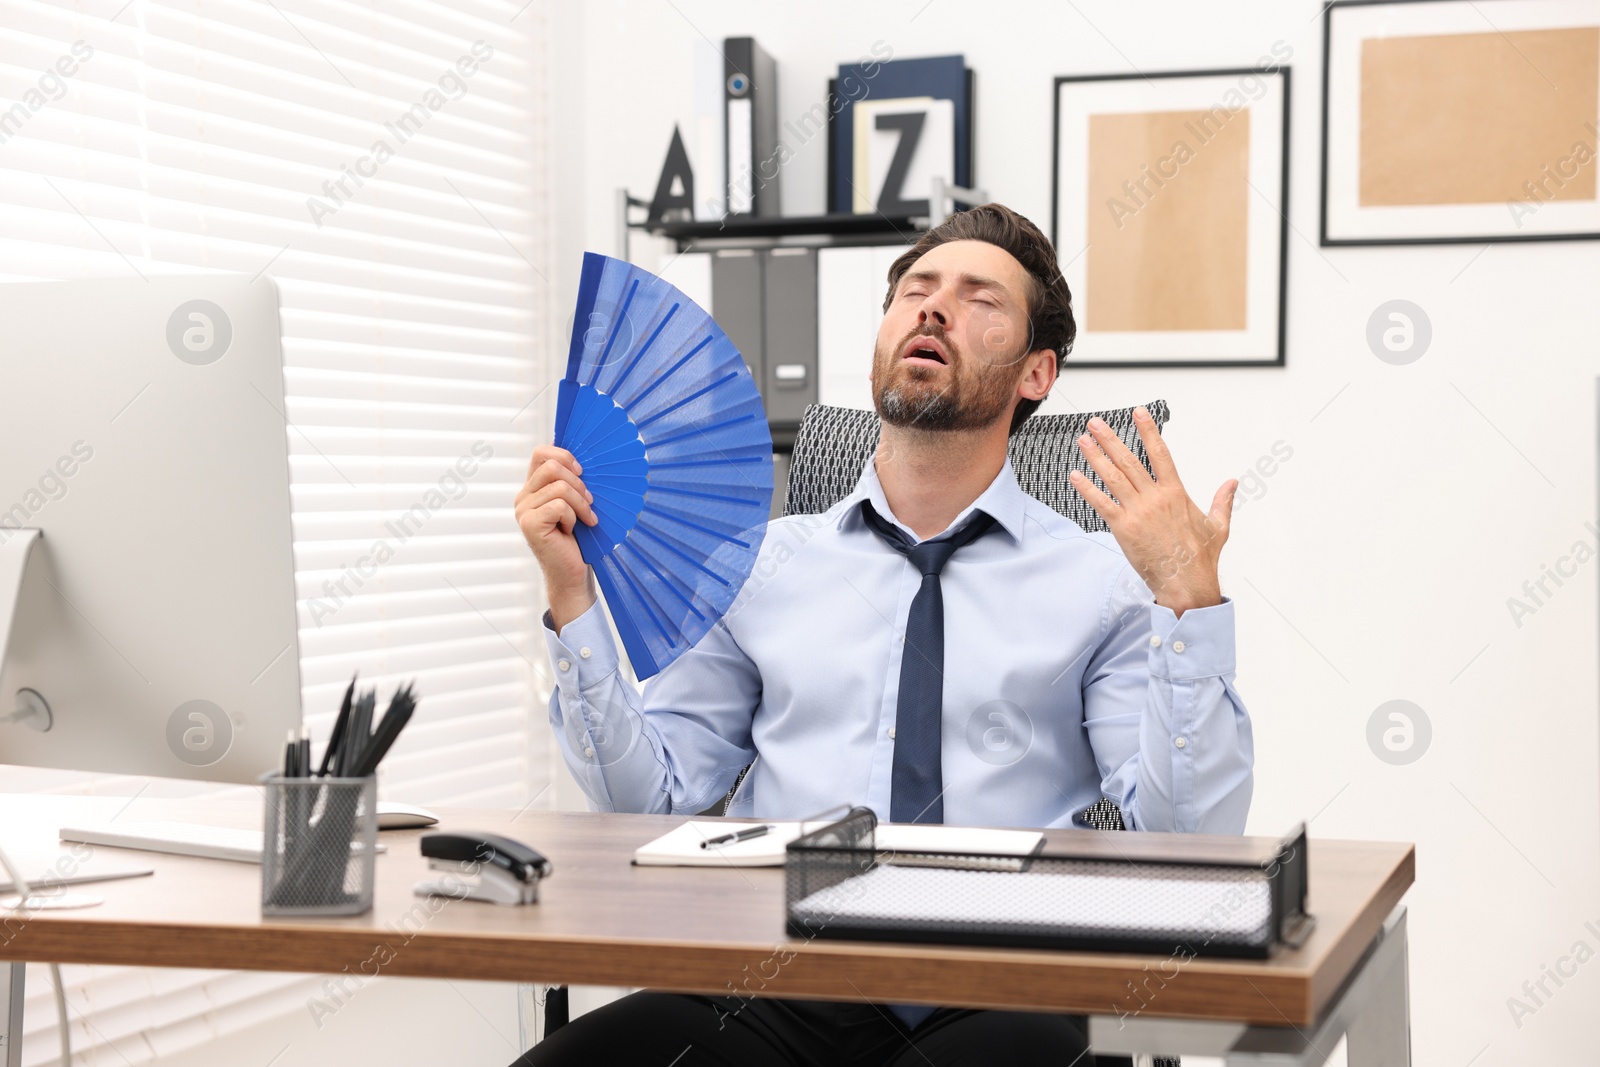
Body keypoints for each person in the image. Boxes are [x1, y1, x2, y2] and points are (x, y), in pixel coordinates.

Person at [511, 203, 1253, 1066]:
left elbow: (1189, 839)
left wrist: (1189, 599)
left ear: (1037, 373)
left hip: (1001, 988)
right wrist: (573, 596)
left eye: (981, 300)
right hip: (767, 983)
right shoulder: (759, 566)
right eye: (915, 291)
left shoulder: (1103, 580)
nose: (934, 310)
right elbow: (649, 805)